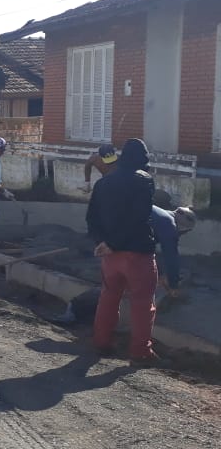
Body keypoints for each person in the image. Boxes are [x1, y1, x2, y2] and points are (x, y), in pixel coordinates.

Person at [86, 138, 161, 366]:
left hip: (110, 255)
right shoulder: (144, 181)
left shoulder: (104, 183)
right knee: (142, 302)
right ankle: (140, 352)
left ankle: (101, 342)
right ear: (143, 159)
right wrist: (114, 243)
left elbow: (91, 218)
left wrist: (103, 242)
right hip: (137, 252)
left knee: (108, 298)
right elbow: (139, 218)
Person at [150, 205, 197, 298]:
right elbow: (171, 257)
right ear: (183, 227)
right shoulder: (169, 224)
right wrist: (173, 285)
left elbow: (148, 249)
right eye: (184, 232)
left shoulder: (159, 215)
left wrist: (160, 273)